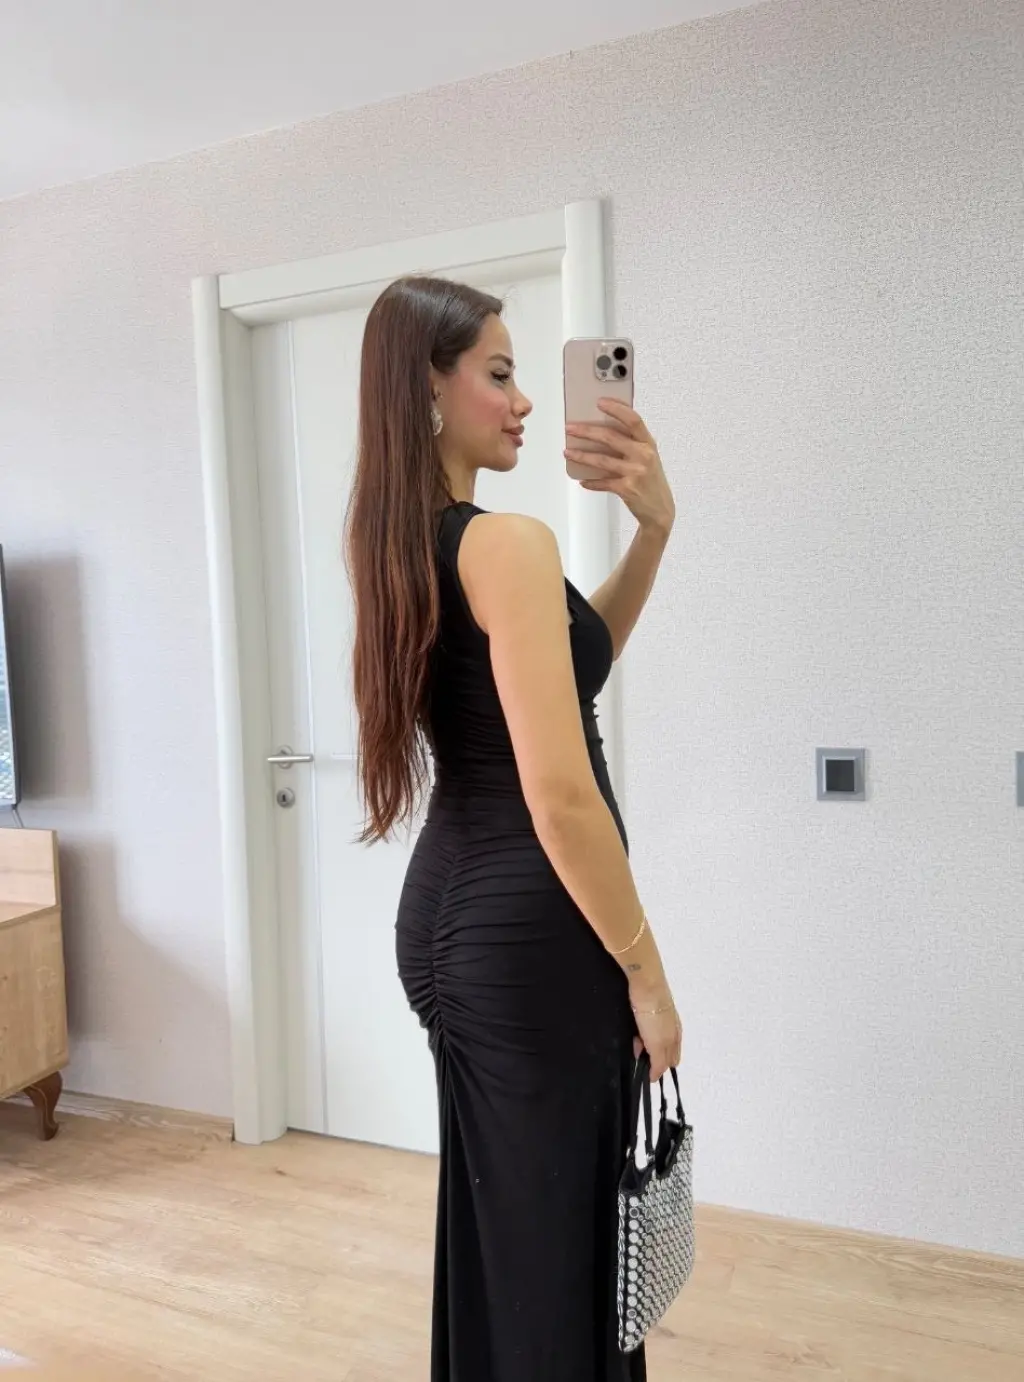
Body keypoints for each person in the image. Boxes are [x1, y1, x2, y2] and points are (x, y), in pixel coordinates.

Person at [346, 276, 682, 1382]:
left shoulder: (404, 543)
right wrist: (648, 976)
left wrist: (653, 530)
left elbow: (576, 669)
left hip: (458, 921)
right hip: (530, 931)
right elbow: (562, 797)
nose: (526, 400)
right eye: (498, 373)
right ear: (427, 390)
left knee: (516, 1228)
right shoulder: (506, 545)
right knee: (559, 1244)